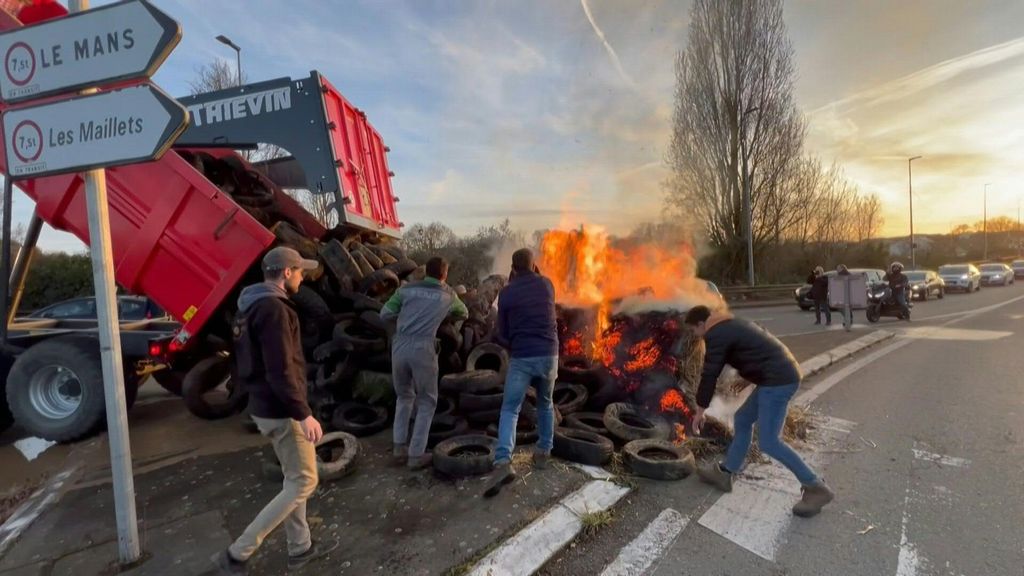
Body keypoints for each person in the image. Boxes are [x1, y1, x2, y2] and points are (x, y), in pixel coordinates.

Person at [213, 246, 338, 574]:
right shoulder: (274, 310)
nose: (302, 277)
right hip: (281, 409)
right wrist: (302, 412)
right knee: (304, 482)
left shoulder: (249, 307)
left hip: (264, 405)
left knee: (294, 477)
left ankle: (301, 547)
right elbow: (280, 368)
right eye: (299, 272)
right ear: (286, 273)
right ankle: (238, 552)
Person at [686, 305, 834, 518]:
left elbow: (709, 374)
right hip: (776, 375)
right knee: (743, 419)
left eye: (693, 331)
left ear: (701, 324)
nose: (695, 336)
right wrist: (749, 376)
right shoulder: (732, 322)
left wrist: (700, 410)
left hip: (778, 382)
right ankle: (727, 472)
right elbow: (760, 348)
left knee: (770, 442)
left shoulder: (715, 334)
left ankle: (816, 487)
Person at [381, 256, 468, 469]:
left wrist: (406, 320)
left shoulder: (405, 290)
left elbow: (384, 314)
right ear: (444, 274)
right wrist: (442, 316)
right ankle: (416, 455)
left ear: (425, 271)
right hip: (424, 347)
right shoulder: (447, 294)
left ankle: (399, 449)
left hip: (400, 345)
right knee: (427, 401)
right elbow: (463, 312)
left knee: (403, 396)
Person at [484, 248, 559, 497]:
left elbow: (501, 332)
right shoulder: (547, 285)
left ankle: (504, 460)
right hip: (549, 355)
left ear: (513, 269)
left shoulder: (506, 293)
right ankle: (543, 452)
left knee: (510, 408)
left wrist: (512, 344)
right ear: (534, 265)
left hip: (523, 356)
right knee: (545, 403)